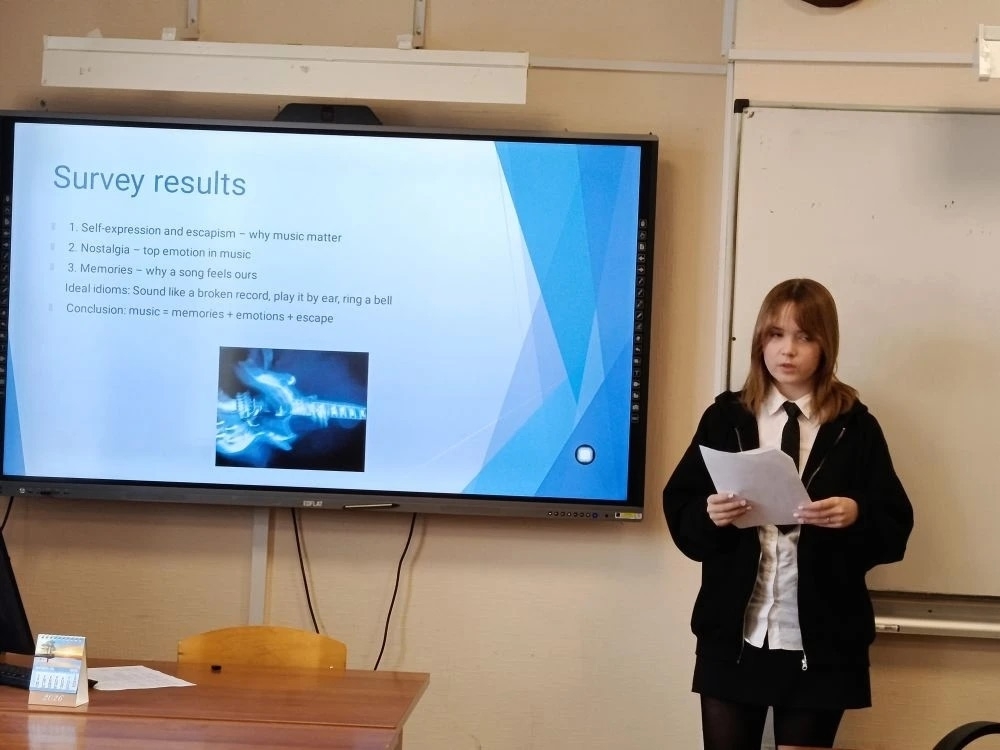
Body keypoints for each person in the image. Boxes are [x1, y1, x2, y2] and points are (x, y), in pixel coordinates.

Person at [662, 278, 913, 750]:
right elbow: (682, 513)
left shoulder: (856, 427)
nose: (787, 350)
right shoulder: (726, 418)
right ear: (760, 339)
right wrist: (710, 514)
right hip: (734, 636)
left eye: (805, 337)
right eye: (776, 334)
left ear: (826, 345)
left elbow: (894, 526)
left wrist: (855, 514)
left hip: (822, 640)